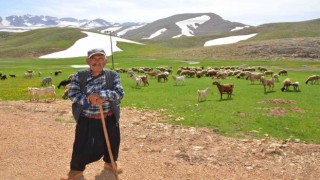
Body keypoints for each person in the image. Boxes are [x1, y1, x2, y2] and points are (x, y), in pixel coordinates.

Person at [62, 48, 124, 180]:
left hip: (109, 116)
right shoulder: (79, 75)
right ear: (87, 61)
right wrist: (88, 99)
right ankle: (76, 171)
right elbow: (72, 94)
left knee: (112, 142)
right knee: (81, 144)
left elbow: (119, 93)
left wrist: (103, 95)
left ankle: (110, 164)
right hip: (87, 118)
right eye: (93, 58)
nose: (97, 61)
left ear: (105, 61)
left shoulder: (113, 75)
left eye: (100, 58)